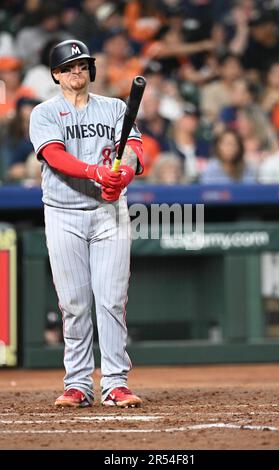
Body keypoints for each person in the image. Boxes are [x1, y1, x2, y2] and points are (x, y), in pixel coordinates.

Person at [29, 39, 143, 408]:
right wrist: (96, 172)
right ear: (56, 75)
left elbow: (134, 149)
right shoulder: (44, 112)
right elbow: (54, 156)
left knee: (111, 300)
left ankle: (115, 382)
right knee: (74, 303)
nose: (77, 72)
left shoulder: (113, 108)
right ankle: (78, 383)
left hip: (109, 214)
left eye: (82, 66)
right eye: (69, 68)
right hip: (63, 214)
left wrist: (123, 173)